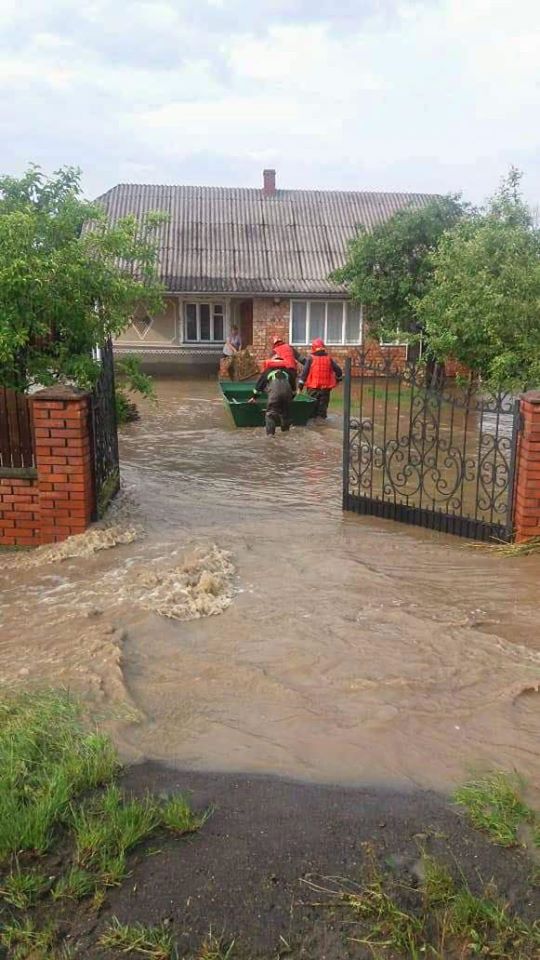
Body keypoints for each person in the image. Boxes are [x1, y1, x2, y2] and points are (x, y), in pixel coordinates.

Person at [298, 338, 343, 419]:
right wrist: (338, 379)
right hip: (325, 390)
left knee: (311, 412)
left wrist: (300, 386)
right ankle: (322, 426)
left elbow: (304, 373)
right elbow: (339, 371)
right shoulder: (329, 359)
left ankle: (314, 429)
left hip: (313, 390)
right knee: (322, 412)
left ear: (313, 348)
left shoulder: (310, 358)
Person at [249, 359, 294, 436]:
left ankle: (270, 435)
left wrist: (254, 398)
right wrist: (291, 398)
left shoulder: (268, 372)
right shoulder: (288, 372)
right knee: (285, 413)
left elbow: (258, 388)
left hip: (274, 397)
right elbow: (293, 389)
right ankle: (286, 433)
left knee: (270, 414)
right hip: (287, 396)